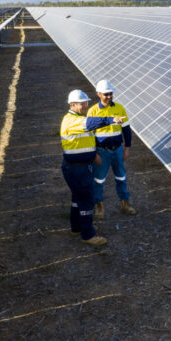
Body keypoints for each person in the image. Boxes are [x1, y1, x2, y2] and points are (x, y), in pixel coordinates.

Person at [60, 89, 123, 246]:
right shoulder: (72, 121)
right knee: (87, 200)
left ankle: (77, 228)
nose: (86, 105)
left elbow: (87, 137)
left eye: (86, 102)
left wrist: (94, 155)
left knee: (77, 199)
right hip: (77, 169)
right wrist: (111, 119)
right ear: (72, 105)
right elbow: (92, 123)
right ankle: (88, 235)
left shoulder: (77, 118)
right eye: (82, 103)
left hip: (77, 167)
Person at [88, 79, 136, 219]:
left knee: (121, 177)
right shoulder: (93, 111)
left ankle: (125, 203)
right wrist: (93, 153)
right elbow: (89, 135)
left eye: (110, 93)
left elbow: (126, 130)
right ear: (98, 94)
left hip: (118, 150)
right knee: (99, 180)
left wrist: (127, 148)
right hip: (101, 151)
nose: (109, 96)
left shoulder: (119, 108)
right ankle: (99, 206)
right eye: (106, 94)